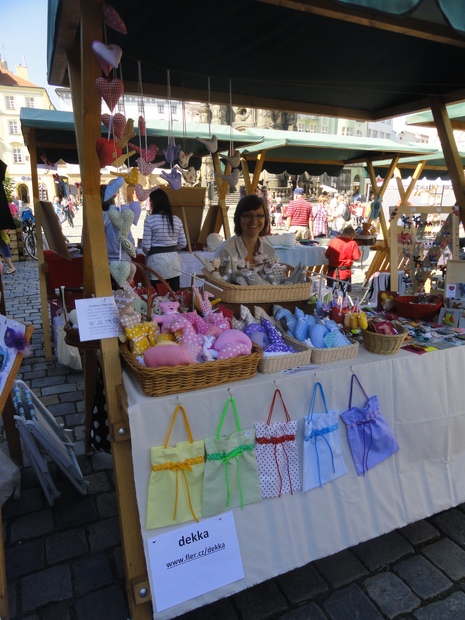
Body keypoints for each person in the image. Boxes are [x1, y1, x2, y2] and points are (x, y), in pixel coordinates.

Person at [213, 194, 276, 282]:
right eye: (247, 215)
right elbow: (216, 285)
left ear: (265, 219)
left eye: (259, 215)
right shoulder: (225, 251)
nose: (254, 220)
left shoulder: (270, 252)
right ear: (238, 219)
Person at [141, 188, 187, 292]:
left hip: (156, 264)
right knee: (174, 297)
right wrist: (171, 248)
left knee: (157, 298)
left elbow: (146, 246)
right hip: (174, 264)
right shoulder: (176, 219)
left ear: (153, 203)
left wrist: (151, 252)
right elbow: (183, 243)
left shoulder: (149, 220)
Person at [101, 184, 133, 264]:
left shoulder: (93, 219)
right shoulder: (120, 216)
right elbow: (131, 244)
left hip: (102, 264)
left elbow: (84, 245)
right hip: (123, 262)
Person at [325, 225, 361, 293]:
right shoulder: (352, 243)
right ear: (352, 236)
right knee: (343, 295)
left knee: (329, 294)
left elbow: (327, 255)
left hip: (332, 272)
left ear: (343, 233)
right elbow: (356, 258)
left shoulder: (334, 241)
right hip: (344, 273)